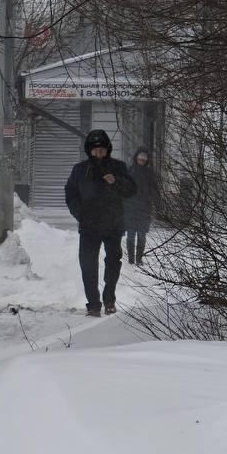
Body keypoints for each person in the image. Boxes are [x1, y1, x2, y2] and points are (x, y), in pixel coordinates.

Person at [64, 129, 137, 316]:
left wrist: (116, 182)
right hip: (89, 225)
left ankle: (109, 298)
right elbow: (71, 194)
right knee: (87, 264)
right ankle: (94, 304)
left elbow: (131, 190)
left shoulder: (118, 167)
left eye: (102, 150)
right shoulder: (80, 169)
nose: (98, 153)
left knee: (113, 262)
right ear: (89, 150)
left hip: (113, 224)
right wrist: (80, 213)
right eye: (95, 150)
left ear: (108, 149)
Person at [126, 147, 158, 266]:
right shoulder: (129, 171)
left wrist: (157, 204)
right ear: (136, 157)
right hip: (130, 208)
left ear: (147, 160)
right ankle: (130, 259)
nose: (142, 160)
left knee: (141, 235)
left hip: (145, 208)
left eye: (144, 158)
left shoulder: (150, 174)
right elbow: (124, 189)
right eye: (140, 157)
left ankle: (139, 259)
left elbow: (155, 190)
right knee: (130, 235)